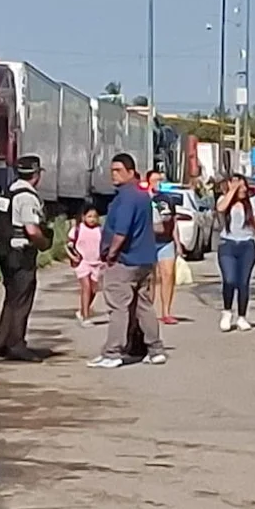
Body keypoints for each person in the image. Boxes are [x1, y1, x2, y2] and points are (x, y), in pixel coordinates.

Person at [89, 153, 167, 369]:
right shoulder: (143, 196)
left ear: (131, 172)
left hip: (125, 260)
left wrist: (112, 254)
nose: (113, 175)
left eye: (118, 171)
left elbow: (121, 231)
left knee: (118, 307)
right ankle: (155, 349)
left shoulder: (126, 198)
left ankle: (113, 352)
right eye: (112, 170)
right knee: (144, 306)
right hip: (145, 260)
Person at [0, 155, 53, 362]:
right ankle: (16, 344)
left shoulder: (7, 193)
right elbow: (32, 230)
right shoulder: (27, 197)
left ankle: (2, 343)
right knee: (22, 300)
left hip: (4, 250)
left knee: (12, 297)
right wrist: (44, 244)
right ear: (36, 175)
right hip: (20, 253)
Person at [215, 174, 255, 332]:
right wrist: (232, 191)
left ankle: (242, 316)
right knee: (229, 279)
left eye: (243, 186)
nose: (242, 189)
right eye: (239, 186)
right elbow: (220, 208)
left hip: (247, 245)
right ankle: (227, 312)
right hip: (228, 245)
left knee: (243, 282)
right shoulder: (223, 201)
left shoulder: (252, 204)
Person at [145, 170, 183, 324]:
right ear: (148, 181)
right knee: (150, 278)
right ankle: (148, 312)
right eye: (154, 180)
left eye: (159, 180)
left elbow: (173, 222)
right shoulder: (143, 199)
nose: (157, 183)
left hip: (166, 242)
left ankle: (166, 312)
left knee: (168, 276)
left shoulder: (166, 199)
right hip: (148, 242)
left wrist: (178, 244)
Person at [66, 203, 104, 327]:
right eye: (89, 216)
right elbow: (68, 245)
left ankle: (82, 310)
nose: (92, 219)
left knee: (94, 289)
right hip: (82, 262)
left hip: (97, 263)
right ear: (83, 217)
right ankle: (86, 317)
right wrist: (73, 256)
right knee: (86, 288)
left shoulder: (100, 230)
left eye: (94, 216)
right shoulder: (78, 229)